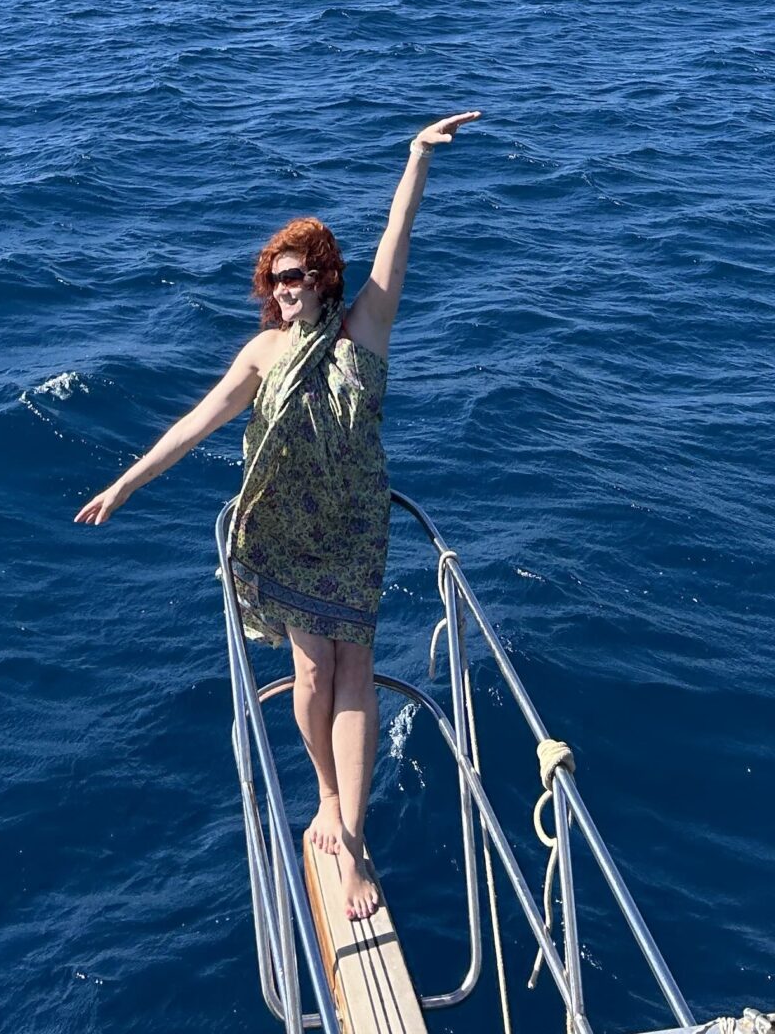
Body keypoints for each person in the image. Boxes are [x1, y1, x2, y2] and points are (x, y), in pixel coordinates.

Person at [75, 111, 481, 919]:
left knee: (356, 670)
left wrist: (416, 161)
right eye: (277, 279)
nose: (287, 289)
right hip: (287, 532)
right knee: (310, 672)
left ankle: (352, 841)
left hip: (357, 527)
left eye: (299, 276)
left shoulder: (366, 328)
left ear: (327, 278)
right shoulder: (262, 355)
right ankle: (327, 796)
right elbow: (198, 423)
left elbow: (400, 235)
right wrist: (127, 483)